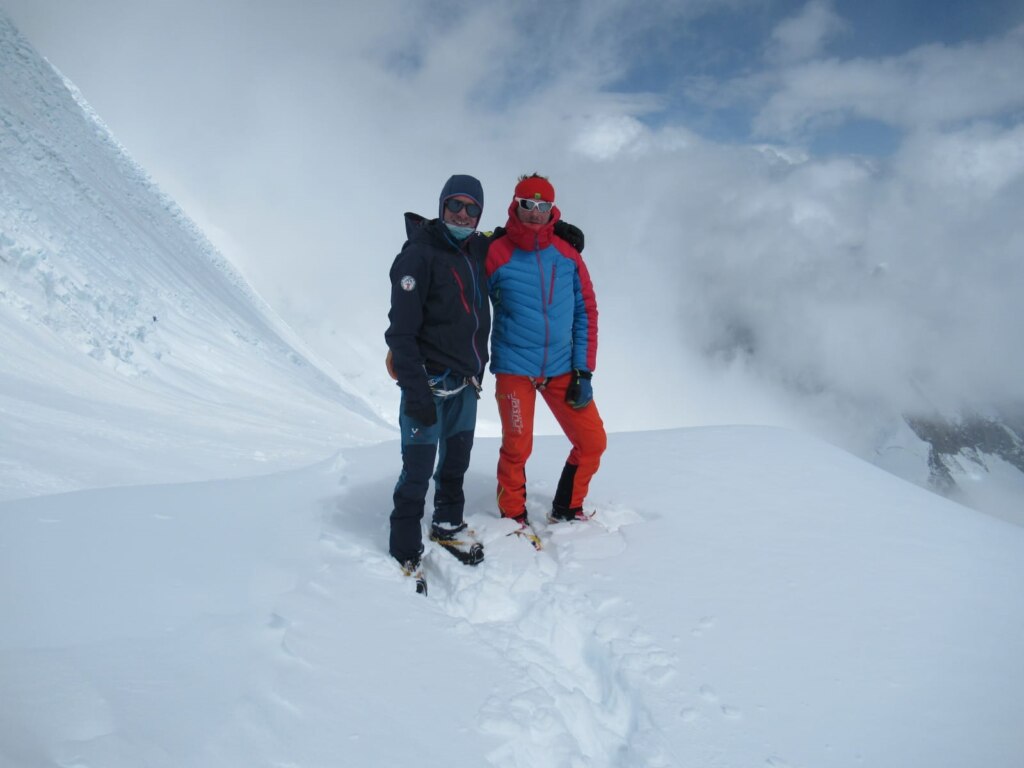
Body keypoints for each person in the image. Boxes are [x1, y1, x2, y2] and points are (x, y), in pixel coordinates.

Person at [485, 174, 607, 533]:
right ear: (515, 205)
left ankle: (567, 507)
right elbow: (462, 293)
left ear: (553, 210)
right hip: (514, 365)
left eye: (543, 206)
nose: (535, 213)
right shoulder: (495, 252)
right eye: (528, 205)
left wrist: (584, 371)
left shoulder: (568, 255)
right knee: (518, 447)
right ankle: (512, 515)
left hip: (562, 367)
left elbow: (587, 311)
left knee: (592, 442)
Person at [385, 174, 490, 578]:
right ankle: (405, 547)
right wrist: (415, 393)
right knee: (417, 470)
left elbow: (514, 236)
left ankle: (448, 524)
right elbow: (400, 332)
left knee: (455, 465)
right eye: (455, 205)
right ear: (441, 205)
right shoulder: (418, 255)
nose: (462, 214)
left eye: (472, 208)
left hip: (465, 382)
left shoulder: (474, 248)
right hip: (427, 383)